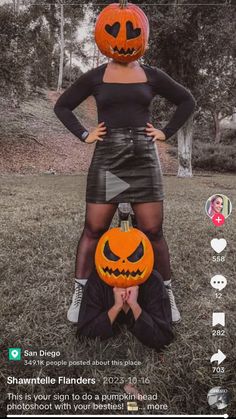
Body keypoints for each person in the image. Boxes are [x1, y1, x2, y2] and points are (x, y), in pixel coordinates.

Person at [54, 41, 195, 326]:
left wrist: (165, 132)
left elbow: (187, 101)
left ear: (141, 38)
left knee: (153, 231)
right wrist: (84, 134)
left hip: (143, 159)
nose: (124, 38)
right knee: (94, 229)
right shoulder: (96, 76)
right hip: (109, 161)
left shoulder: (152, 75)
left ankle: (166, 294)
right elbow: (63, 106)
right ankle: (80, 293)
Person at [77, 268, 174, 352]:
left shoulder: (153, 280)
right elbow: (84, 336)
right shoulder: (98, 279)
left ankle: (167, 289)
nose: (123, 265)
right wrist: (116, 307)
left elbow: (163, 339)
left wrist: (134, 306)